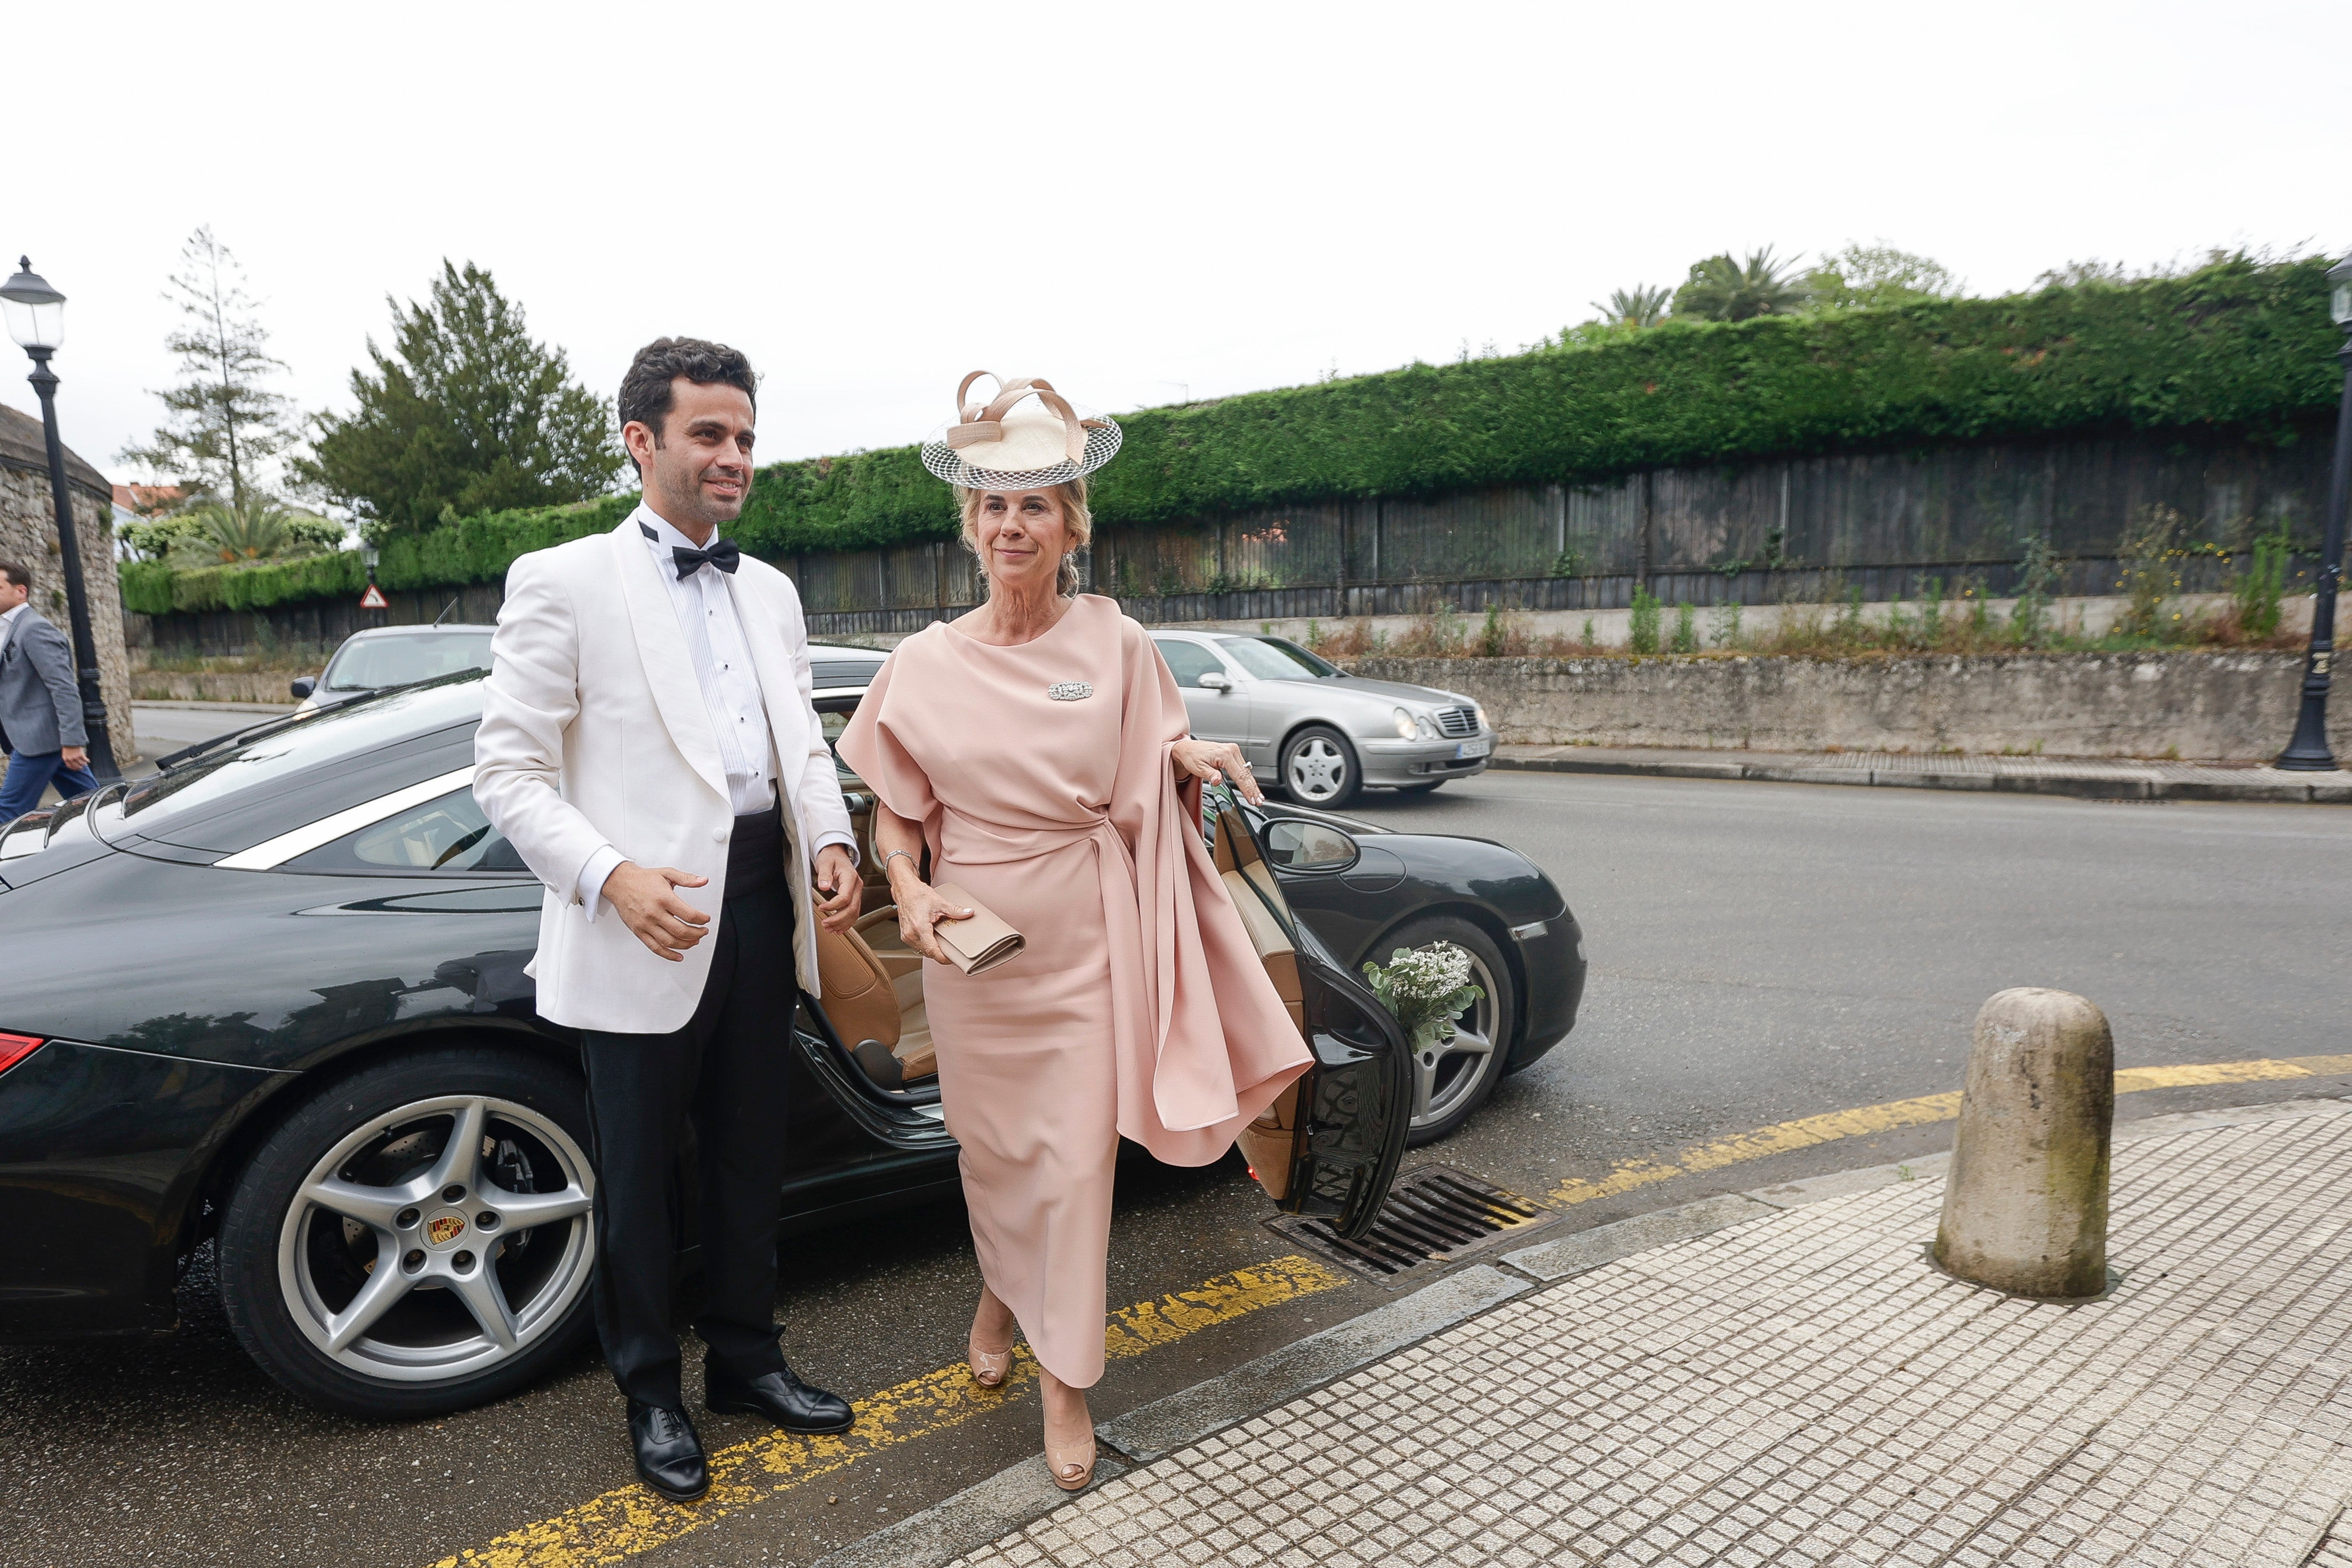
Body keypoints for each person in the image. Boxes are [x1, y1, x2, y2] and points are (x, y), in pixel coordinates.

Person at [836, 373, 1311, 1491]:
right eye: (995, 506)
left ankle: (1067, 1381)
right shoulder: (923, 663)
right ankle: (1001, 1296)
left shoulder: (1116, 639)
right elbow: (895, 811)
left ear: (1070, 527)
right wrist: (905, 890)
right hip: (978, 952)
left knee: (1074, 1160)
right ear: (972, 526)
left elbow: (1151, 752)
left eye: (1036, 505)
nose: (1013, 525)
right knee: (1001, 1155)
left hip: (1095, 941)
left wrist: (1186, 760)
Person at [473, 337, 864, 1505]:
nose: (734, 455)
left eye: (745, 435)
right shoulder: (563, 580)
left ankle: (748, 1360)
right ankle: (652, 1393)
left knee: (753, 1158)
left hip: (759, 904)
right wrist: (608, 877)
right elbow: (507, 773)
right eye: (709, 433)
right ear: (642, 441)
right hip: (640, 919)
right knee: (640, 1181)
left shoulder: (773, 588)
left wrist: (831, 837)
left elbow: (798, 739)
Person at [0, 559, 98, 823]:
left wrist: (72, 742)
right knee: (91, 805)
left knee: (8, 812)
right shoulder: (7, 628)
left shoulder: (34, 628)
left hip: (41, 740)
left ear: (21, 591)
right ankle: (127, 841)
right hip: (38, 739)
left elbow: (63, 687)